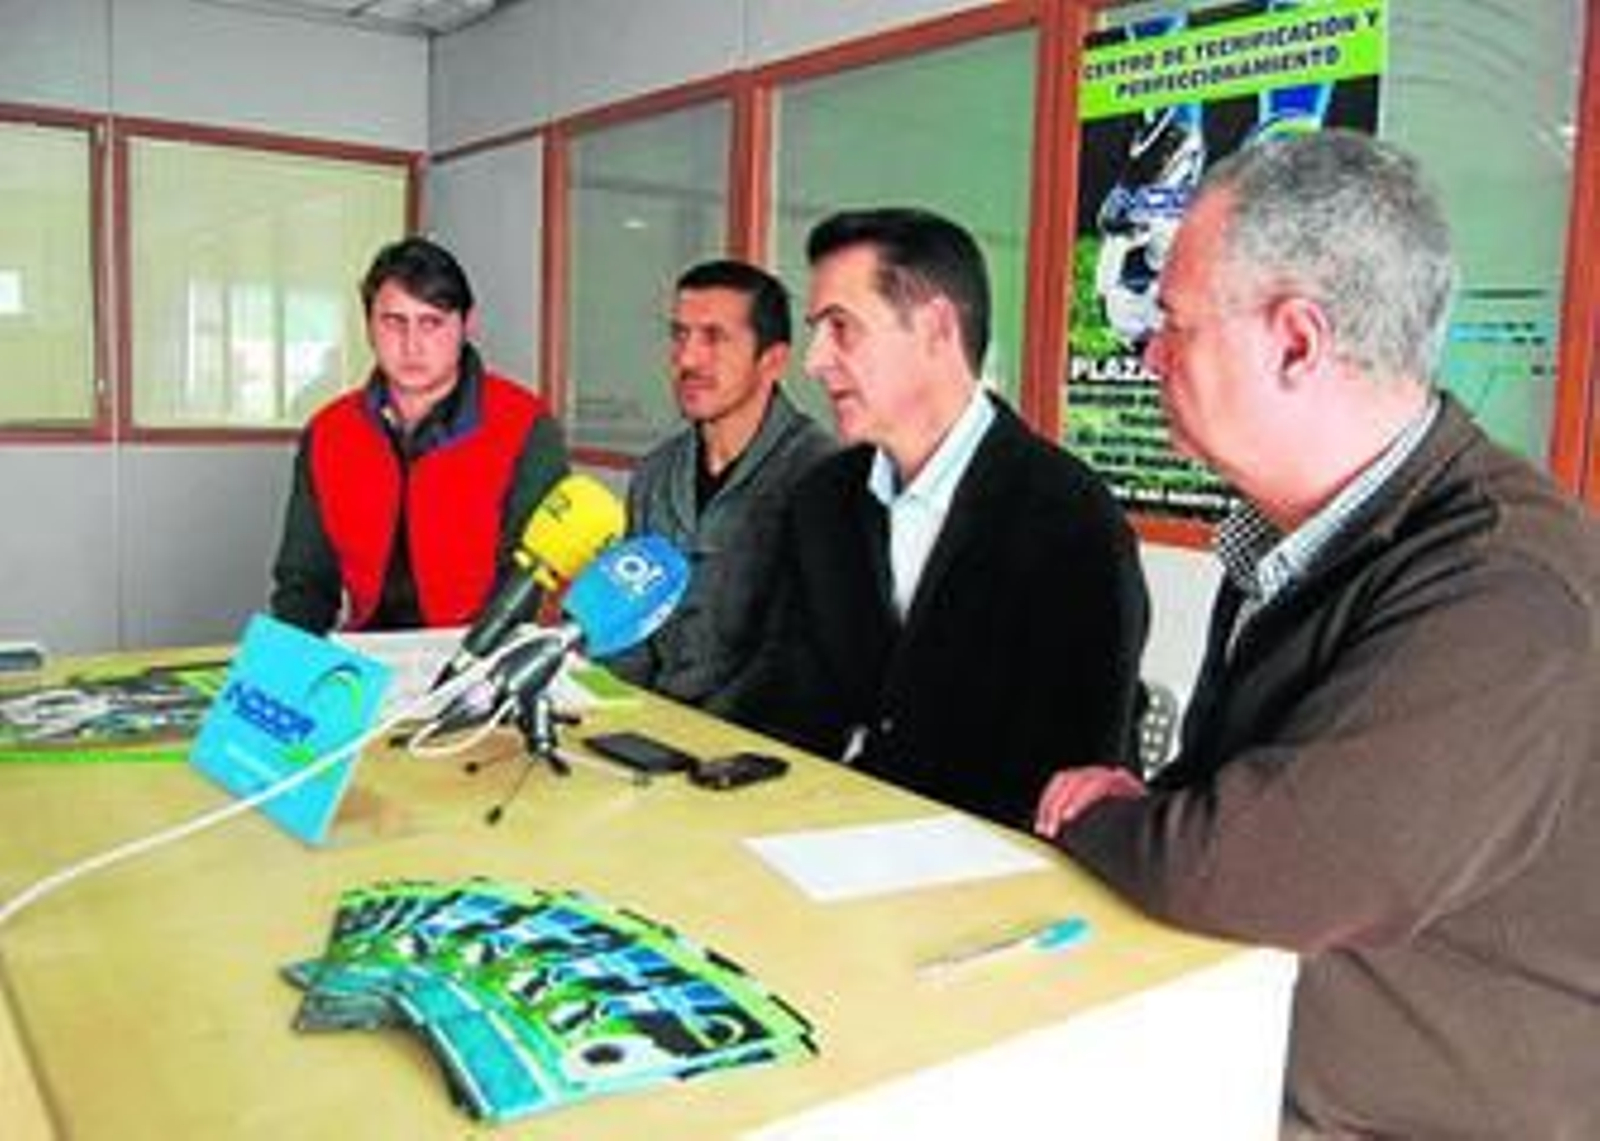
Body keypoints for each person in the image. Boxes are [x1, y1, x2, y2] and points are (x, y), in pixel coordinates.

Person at [1034, 130, 1600, 1138]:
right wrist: (1160, 819)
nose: (1149, 354)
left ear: (1297, 343)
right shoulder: (1294, 536)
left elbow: (1250, 869)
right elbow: (1223, 806)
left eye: (1174, 324)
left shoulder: (1500, 586)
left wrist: (1096, 819)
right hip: (1240, 1060)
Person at [734, 207, 1149, 831]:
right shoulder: (823, 502)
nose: (814, 360)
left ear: (935, 328)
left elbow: (1072, 775)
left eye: (842, 328)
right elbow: (790, 706)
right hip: (825, 837)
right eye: (818, 330)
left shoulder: (1069, 519)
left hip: (996, 864)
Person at [270, 236, 569, 633]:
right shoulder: (329, 432)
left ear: (466, 325)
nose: (412, 345)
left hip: (480, 649)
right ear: (369, 326)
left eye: (432, 323)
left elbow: (531, 582)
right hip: (367, 649)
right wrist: (287, 663)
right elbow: (304, 583)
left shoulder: (525, 425)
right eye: (394, 322)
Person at [604, 260, 834, 715]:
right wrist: (621, 717)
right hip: (647, 727)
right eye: (680, 335)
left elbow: (791, 661)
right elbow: (627, 629)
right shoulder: (655, 473)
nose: (687, 359)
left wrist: (693, 733)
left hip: (759, 738)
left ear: (772, 361)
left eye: (714, 337)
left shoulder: (820, 477)